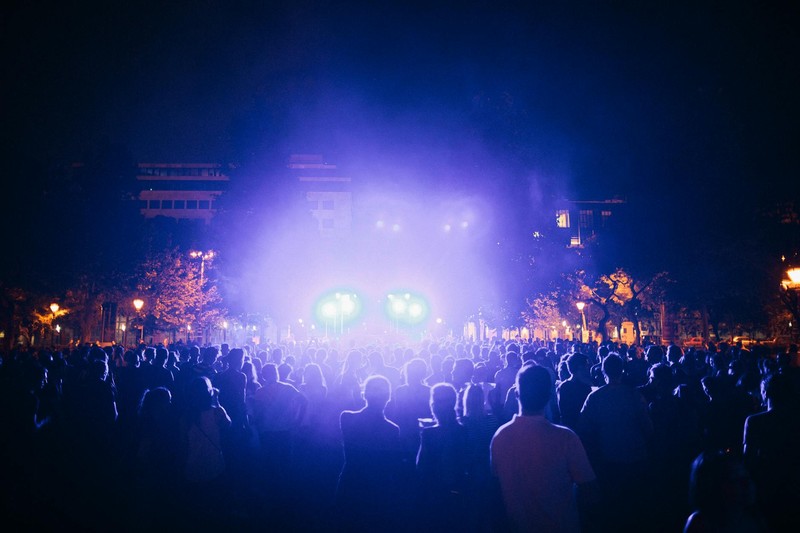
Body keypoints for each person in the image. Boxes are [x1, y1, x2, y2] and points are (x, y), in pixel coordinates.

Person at [491, 363, 597, 532]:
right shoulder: (565, 438)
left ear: (516, 394)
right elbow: (588, 487)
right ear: (549, 396)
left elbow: (497, 484)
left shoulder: (500, 437)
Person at [335, 375, 405, 532]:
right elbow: (393, 463)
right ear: (388, 398)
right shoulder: (392, 430)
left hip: (351, 480)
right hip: (377, 487)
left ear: (364, 394)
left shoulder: (346, 417)